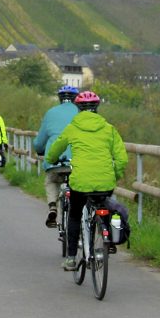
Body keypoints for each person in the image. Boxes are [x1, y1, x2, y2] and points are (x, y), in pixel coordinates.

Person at [46, 91, 127, 271]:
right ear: (97, 108)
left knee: (75, 215)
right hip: (105, 182)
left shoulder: (73, 128)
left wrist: (51, 159)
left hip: (80, 182)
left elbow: (56, 148)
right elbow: (122, 159)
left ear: (78, 108)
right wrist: (114, 175)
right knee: (104, 206)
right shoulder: (109, 128)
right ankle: (107, 239)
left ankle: (71, 259)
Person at [33, 85, 79, 227]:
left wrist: (40, 150)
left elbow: (39, 142)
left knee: (51, 181)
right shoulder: (81, 113)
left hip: (56, 161)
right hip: (78, 162)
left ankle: (53, 206)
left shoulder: (51, 113)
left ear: (60, 98)